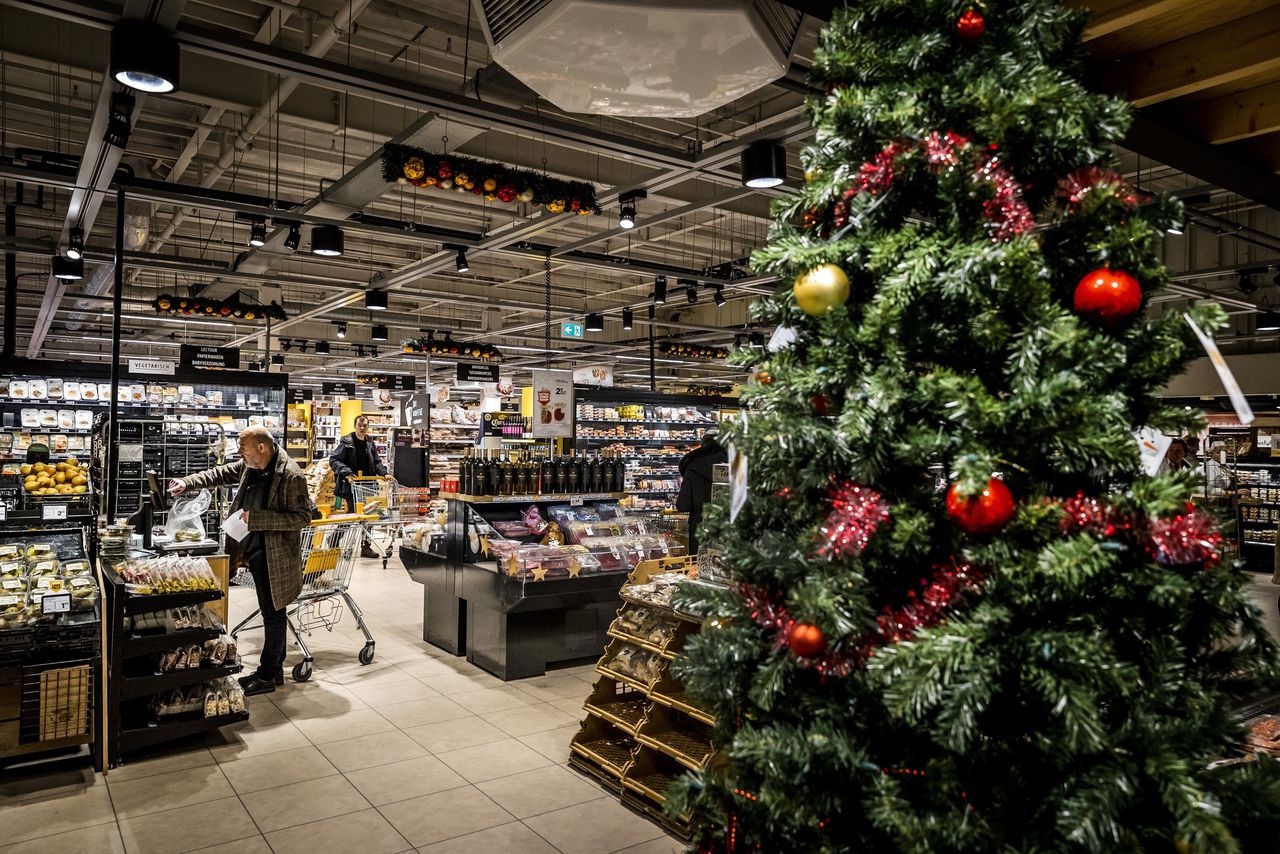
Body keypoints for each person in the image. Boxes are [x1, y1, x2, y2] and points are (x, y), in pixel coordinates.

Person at [169, 426, 310, 696]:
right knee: (271, 610)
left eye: (242, 447)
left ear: (261, 447)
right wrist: (188, 482)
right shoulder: (250, 465)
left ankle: (267, 675)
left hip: (275, 556)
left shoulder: (290, 475)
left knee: (273, 613)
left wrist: (258, 519)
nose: (238, 452)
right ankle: (275, 671)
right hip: (255, 551)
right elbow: (220, 473)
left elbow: (302, 518)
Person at [329, 414, 387, 557]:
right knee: (353, 514)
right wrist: (347, 472)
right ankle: (334, 538)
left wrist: (384, 473)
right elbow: (334, 460)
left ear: (368, 427)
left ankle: (365, 547)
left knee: (367, 515)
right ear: (355, 426)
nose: (362, 428)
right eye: (360, 425)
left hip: (368, 484)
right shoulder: (347, 442)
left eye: (365, 425)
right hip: (351, 485)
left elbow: (377, 461)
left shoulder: (369, 442)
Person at [676, 429, 728, 555]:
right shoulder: (732, 465)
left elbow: (682, 505)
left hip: (700, 528)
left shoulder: (693, 468)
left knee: (699, 568)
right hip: (727, 527)